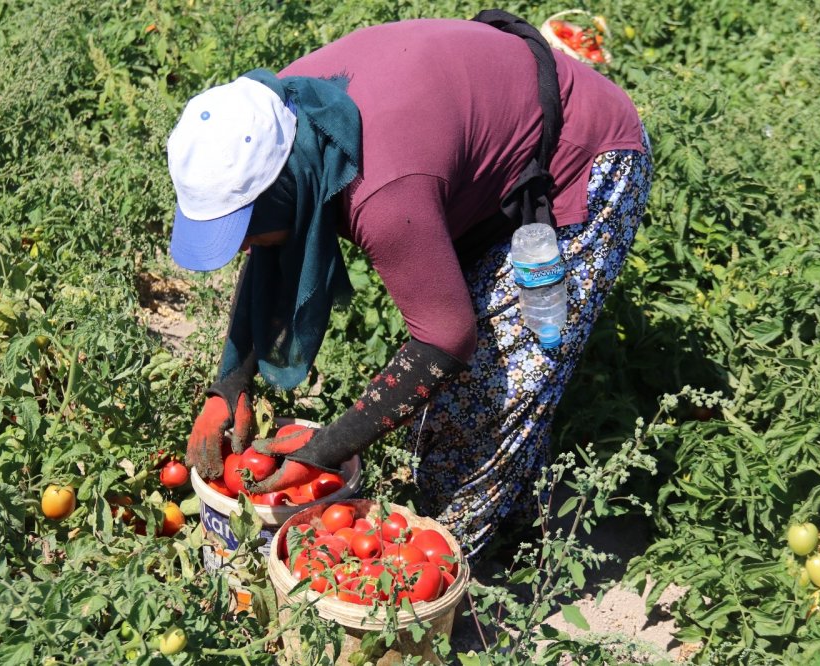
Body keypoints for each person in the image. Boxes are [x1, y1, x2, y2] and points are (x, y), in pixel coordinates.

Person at [167, 11, 652, 560]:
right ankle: (519, 507)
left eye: (248, 231)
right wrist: (228, 386)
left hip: (583, 155)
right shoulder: (282, 119)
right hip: (474, 141)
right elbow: (276, 242)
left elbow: (446, 338)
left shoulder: (384, 188)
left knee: (494, 387)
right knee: (466, 385)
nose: (249, 249)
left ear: (282, 192)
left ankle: (448, 569)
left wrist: (328, 448)